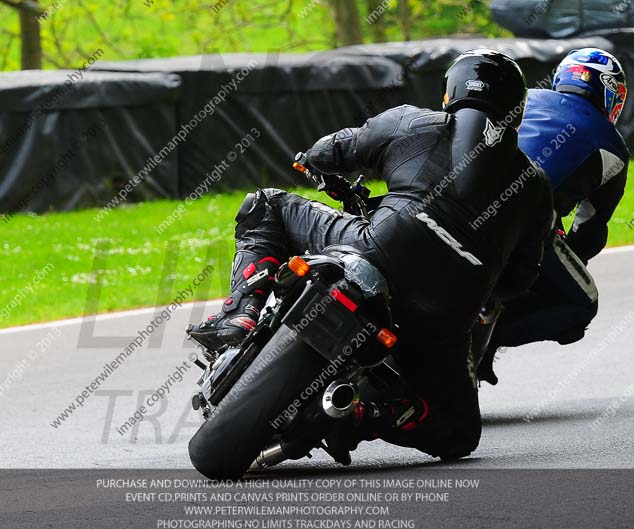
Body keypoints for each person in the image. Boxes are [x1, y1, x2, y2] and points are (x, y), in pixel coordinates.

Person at [188, 49, 553, 460]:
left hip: (377, 250)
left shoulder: (412, 122)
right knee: (458, 432)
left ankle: (241, 312)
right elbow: (520, 280)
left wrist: (314, 163)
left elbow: (332, 151)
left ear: (448, 95)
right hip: (446, 313)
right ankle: (362, 413)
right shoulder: (537, 188)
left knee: (265, 205)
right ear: (518, 111)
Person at [477, 48, 630, 385]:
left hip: (453, 197)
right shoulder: (613, 147)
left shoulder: (524, 96)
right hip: (521, 227)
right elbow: (589, 229)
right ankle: (487, 339)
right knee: (580, 304)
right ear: (609, 93)